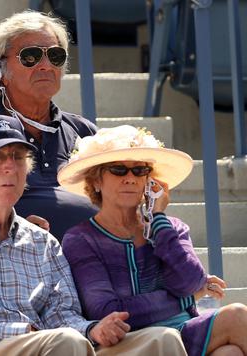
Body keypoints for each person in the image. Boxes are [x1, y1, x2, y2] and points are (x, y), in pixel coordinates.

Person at [0, 115, 187, 355]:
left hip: (53, 344)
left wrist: (92, 330)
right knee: (66, 342)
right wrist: (25, 332)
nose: (9, 166)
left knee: (162, 339)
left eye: (18, 157)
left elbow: (62, 314)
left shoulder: (43, 242)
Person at [59, 125, 247, 356]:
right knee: (236, 315)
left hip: (184, 330)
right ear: (96, 181)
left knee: (230, 352)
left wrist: (158, 218)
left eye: (139, 170)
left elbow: (190, 282)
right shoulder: (80, 238)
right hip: (131, 342)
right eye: (118, 170)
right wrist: (186, 298)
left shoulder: (170, 227)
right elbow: (108, 311)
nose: (130, 178)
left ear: (149, 181)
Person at [0, 10, 98, 240]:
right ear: (0, 72)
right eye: (31, 56)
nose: (46, 65)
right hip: (15, 264)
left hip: (94, 260)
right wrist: (9, 224)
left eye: (56, 56)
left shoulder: (84, 132)